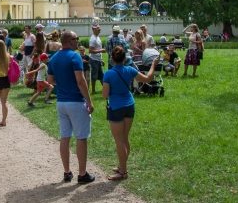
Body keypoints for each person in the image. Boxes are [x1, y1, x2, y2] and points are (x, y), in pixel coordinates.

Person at [103, 46, 159, 180]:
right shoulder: (130, 70)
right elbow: (148, 78)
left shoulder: (108, 74)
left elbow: (105, 94)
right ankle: (122, 166)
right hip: (129, 105)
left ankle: (123, 172)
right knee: (125, 138)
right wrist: (153, 65)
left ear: (112, 58)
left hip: (116, 108)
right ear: (125, 58)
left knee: (119, 141)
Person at [48, 31, 95, 184]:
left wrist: (63, 84)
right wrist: (89, 101)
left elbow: (50, 80)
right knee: (81, 137)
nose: (78, 41)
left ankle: (67, 172)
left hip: (61, 103)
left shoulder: (53, 58)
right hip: (75, 101)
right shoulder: (75, 56)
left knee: (65, 137)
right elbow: (81, 81)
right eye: (76, 39)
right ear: (69, 41)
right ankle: (82, 174)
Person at [89, 24, 105, 94]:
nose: (99, 30)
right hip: (94, 60)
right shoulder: (93, 39)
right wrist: (101, 50)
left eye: (99, 29)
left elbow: (97, 48)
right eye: (98, 29)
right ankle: (93, 90)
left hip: (98, 59)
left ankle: (105, 88)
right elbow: (90, 51)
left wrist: (101, 59)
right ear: (93, 29)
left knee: (101, 75)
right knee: (94, 76)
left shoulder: (97, 37)